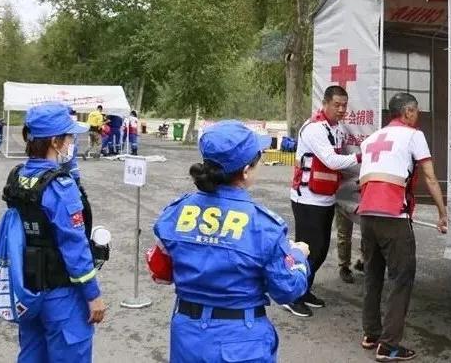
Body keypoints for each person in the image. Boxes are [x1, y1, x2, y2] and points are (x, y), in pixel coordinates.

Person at [147, 120, 310, 363]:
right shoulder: (264, 225)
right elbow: (287, 290)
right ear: (245, 171)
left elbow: (162, 271)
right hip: (241, 341)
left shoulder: (174, 213)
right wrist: (298, 257)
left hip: (187, 336)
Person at [2, 102, 106, 362]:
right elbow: (74, 246)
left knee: (31, 353)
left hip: (29, 288)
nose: (73, 142)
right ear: (55, 142)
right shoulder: (60, 186)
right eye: (69, 137)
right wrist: (93, 295)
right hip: (62, 294)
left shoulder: (18, 177)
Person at [357, 92, 448, 362]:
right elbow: (430, 178)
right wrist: (442, 214)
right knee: (401, 278)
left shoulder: (371, 139)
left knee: (373, 275)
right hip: (393, 217)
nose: (417, 116)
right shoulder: (413, 135)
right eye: (416, 111)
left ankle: (371, 334)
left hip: (367, 216)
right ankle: (388, 345)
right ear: (408, 112)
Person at [285, 85, 361, 317]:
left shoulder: (335, 128)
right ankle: (291, 296)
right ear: (325, 103)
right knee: (307, 251)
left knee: (320, 250)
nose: (341, 109)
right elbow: (332, 161)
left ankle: (304, 289)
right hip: (307, 200)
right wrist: (363, 155)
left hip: (326, 197)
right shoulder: (314, 129)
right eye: (337, 105)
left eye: (344, 105)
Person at [335, 206, 364, 284]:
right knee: (343, 233)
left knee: (367, 232)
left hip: (364, 201)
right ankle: (344, 266)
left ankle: (363, 261)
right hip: (343, 201)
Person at [64, 108, 82, 185]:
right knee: (72, 161)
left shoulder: (66, 121)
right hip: (73, 144)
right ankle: (76, 179)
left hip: (69, 145)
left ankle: (74, 179)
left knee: (68, 161)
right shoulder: (73, 120)